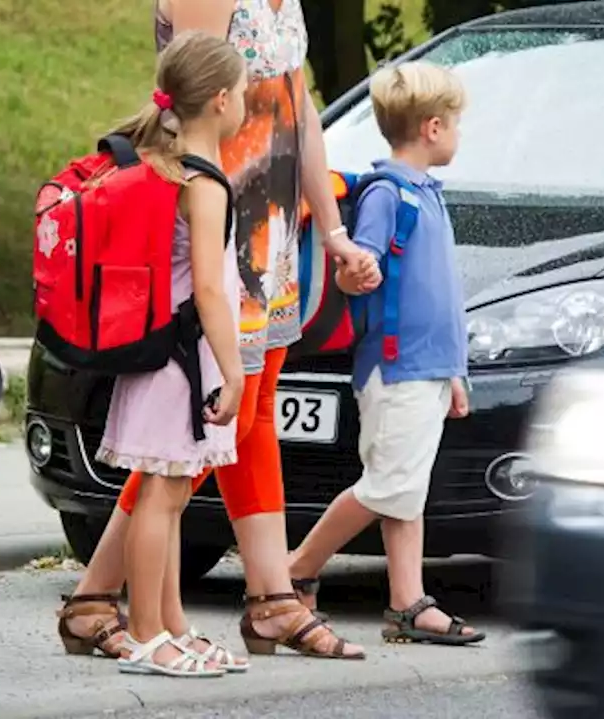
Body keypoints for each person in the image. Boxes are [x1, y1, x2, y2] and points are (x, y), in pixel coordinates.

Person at [55, 0, 373, 662]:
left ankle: (271, 597)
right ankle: (104, 598)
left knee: (250, 413)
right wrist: (206, 228)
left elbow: (299, 106)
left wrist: (333, 226)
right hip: (217, 232)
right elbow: (193, 103)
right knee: (192, 431)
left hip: (273, 235)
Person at [288, 61, 485, 646]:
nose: (456, 133)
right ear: (431, 127)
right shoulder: (387, 194)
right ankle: (296, 568)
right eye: (454, 124)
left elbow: (439, 299)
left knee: (406, 491)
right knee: (384, 487)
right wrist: (360, 273)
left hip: (425, 370)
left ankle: (407, 604)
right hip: (395, 367)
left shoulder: (427, 195)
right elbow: (354, 271)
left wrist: (452, 374)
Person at [90, 30, 246, 678]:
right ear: (219, 100)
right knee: (161, 494)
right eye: (241, 93)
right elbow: (208, 286)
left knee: (172, 491)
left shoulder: (171, 164)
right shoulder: (202, 182)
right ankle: (149, 633)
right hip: (181, 362)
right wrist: (233, 370)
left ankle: (172, 623)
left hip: (169, 359)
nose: (245, 103)